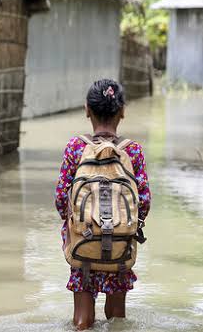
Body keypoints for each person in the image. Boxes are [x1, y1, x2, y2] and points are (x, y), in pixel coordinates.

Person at [54, 79, 152, 330]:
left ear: (87, 109)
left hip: (83, 242)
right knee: (117, 319)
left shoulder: (76, 148)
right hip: (120, 245)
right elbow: (144, 202)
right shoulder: (133, 151)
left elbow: (61, 199)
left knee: (82, 321)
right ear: (122, 111)